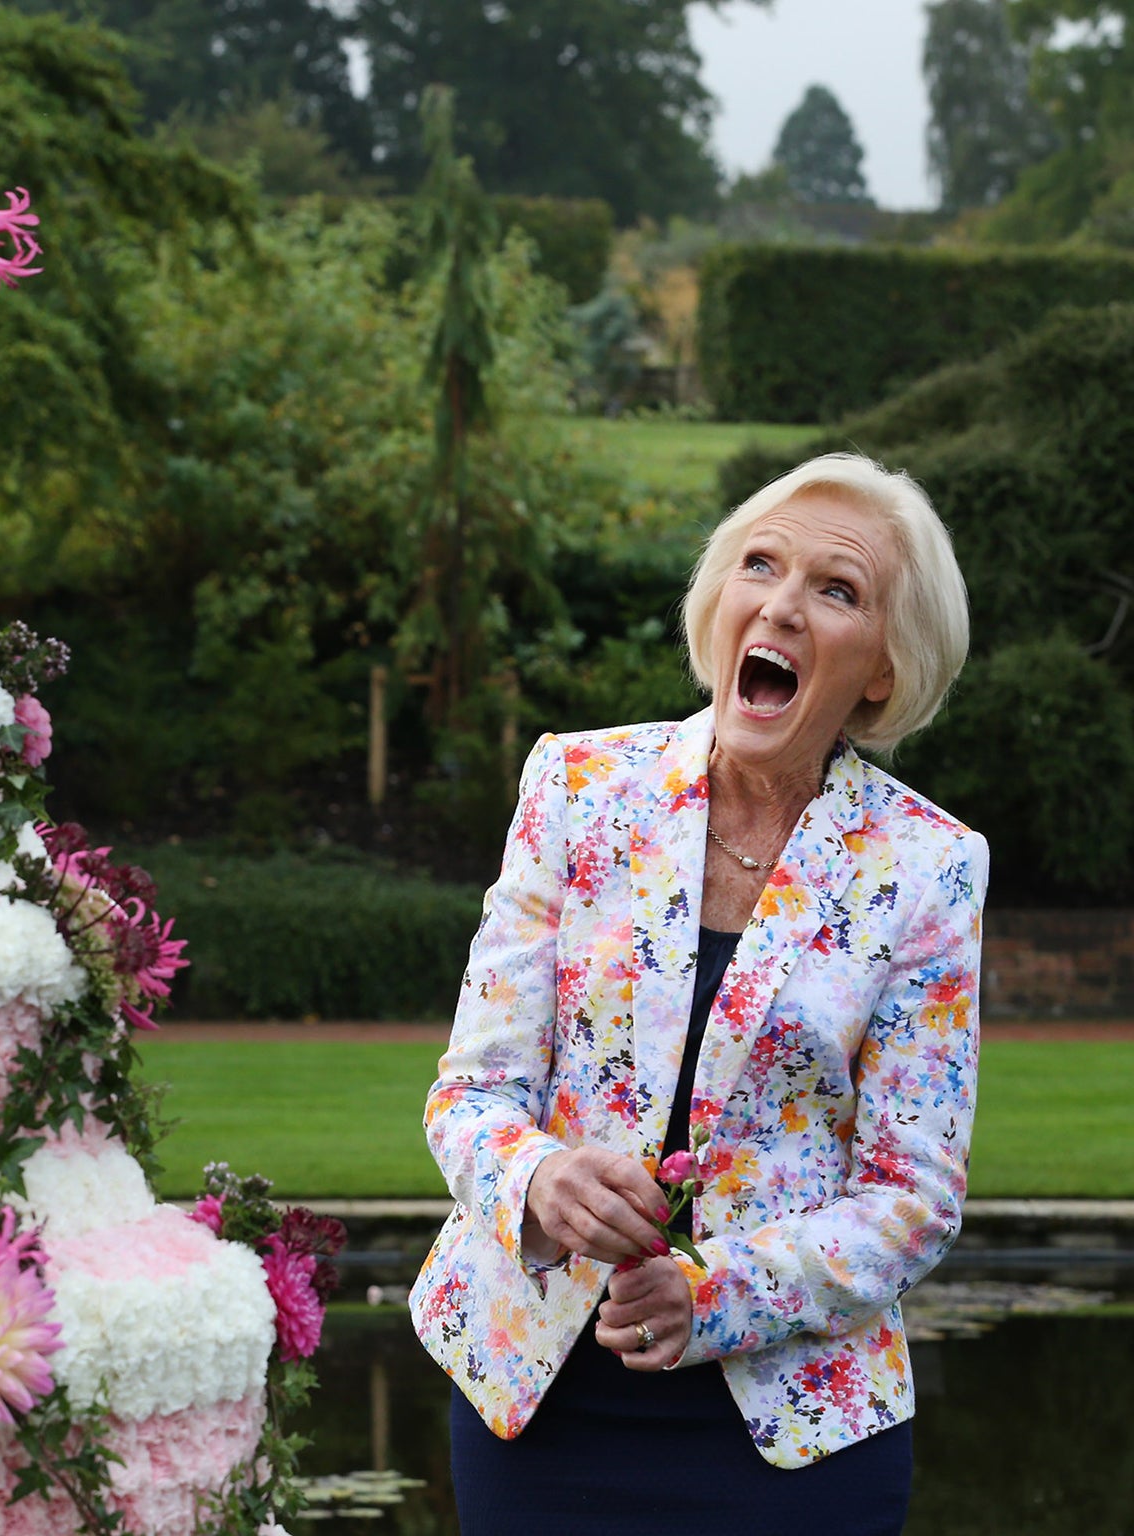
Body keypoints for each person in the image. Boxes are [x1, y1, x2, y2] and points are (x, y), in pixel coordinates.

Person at [409, 453, 989, 1534]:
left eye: (836, 589)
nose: (779, 604)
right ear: (719, 603)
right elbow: (469, 1094)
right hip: (536, 1404)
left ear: (880, 668)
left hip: (796, 1434)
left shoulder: (928, 866)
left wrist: (711, 1291)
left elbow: (911, 1195)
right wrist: (536, 1178)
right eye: (757, 566)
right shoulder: (575, 789)